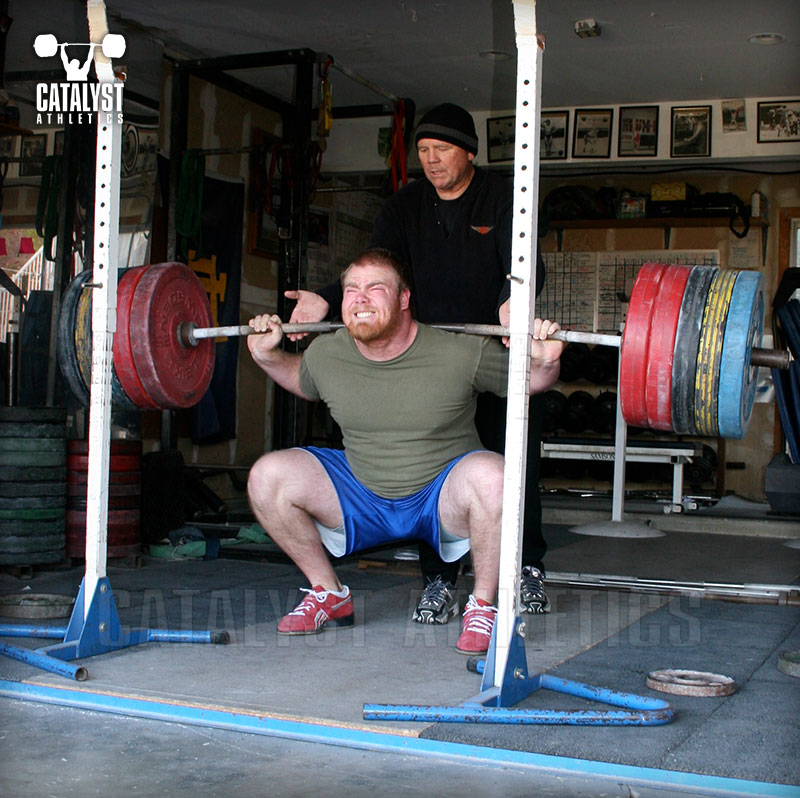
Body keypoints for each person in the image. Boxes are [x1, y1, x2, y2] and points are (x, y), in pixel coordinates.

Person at [286, 102, 551, 626]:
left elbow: (525, 263)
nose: (430, 160)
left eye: (442, 150)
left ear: (468, 151)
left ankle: (527, 567)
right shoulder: (405, 205)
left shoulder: (501, 197)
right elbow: (376, 267)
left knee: (514, 458)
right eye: (424, 151)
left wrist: (511, 300)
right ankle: (439, 579)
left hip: (491, 350)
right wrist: (323, 296)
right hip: (429, 359)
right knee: (436, 469)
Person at [246, 249, 564, 654]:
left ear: (403, 299)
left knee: (495, 475)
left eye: (375, 288)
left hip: (439, 497)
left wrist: (547, 359)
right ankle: (329, 593)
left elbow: (530, 379)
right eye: (351, 290)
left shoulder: (459, 352)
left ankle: (483, 605)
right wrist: (265, 354)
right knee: (267, 476)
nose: (360, 299)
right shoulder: (328, 353)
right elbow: (302, 379)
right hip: (362, 493)